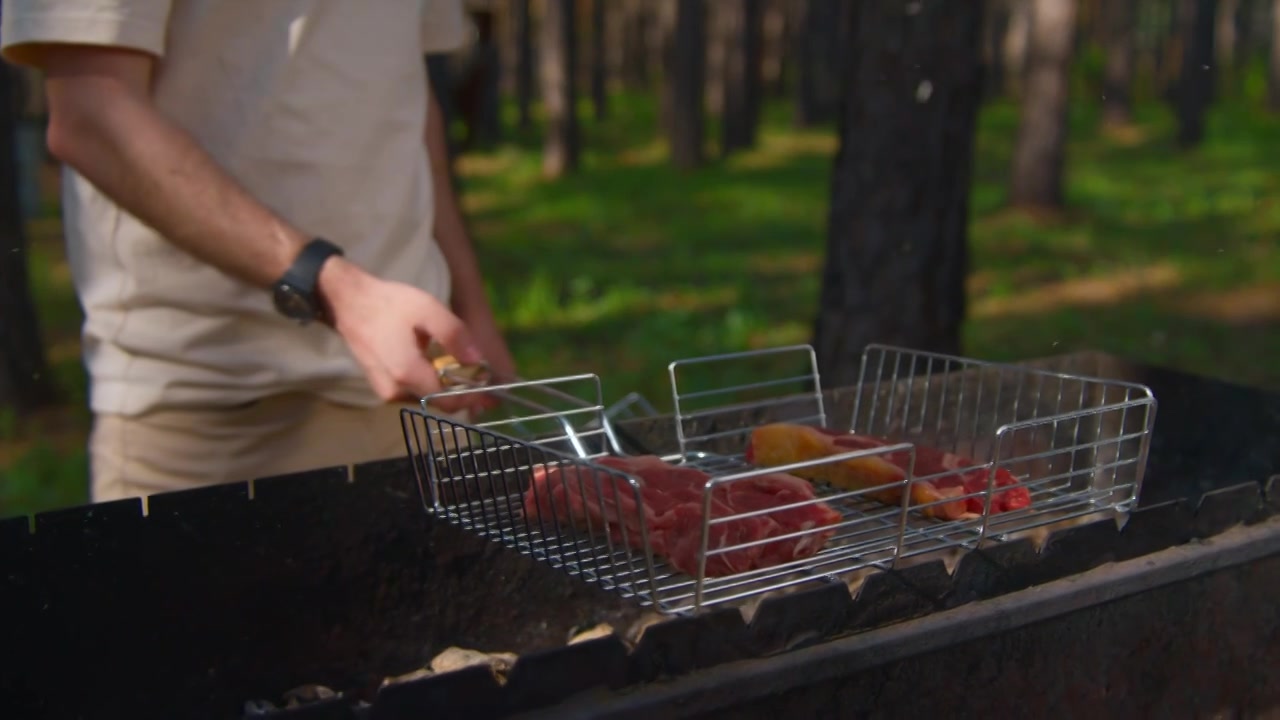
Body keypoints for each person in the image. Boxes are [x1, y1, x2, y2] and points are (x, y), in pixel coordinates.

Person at [0, 0, 516, 502]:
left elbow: (407, 96)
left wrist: (469, 309)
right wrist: (338, 290)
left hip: (418, 383)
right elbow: (93, 115)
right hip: (209, 404)